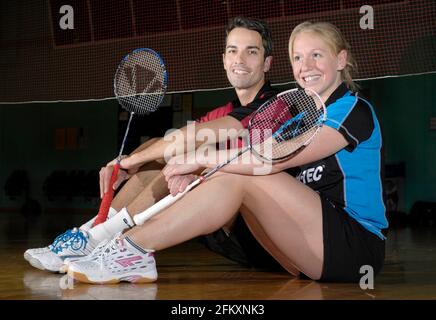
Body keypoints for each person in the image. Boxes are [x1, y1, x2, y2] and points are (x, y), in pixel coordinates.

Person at [67, 21, 388, 284]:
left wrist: (200, 160)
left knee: (242, 175)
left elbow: (276, 158)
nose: (306, 67)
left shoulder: (353, 109)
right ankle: (116, 242)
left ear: (341, 60)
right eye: (298, 58)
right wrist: (198, 172)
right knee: (231, 172)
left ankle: (131, 248)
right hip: (302, 249)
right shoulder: (301, 117)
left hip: (355, 247)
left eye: (317, 55)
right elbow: (251, 153)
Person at [24, 16, 280, 273]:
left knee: (184, 156)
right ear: (224, 59)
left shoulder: (274, 105)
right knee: (162, 151)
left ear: (267, 62)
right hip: (225, 229)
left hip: (261, 235)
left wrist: (131, 162)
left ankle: (99, 237)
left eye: (252, 51)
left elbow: (194, 138)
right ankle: (93, 231)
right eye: (233, 51)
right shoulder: (224, 110)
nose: (240, 59)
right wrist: (132, 159)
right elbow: (170, 143)